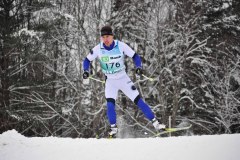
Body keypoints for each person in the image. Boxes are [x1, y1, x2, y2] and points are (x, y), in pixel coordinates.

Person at [82, 25, 165, 137]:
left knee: (138, 100)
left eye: (107, 36)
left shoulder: (120, 46)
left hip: (123, 78)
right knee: (110, 104)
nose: (105, 39)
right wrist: (86, 71)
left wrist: (138, 67)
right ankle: (113, 129)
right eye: (103, 37)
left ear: (112, 36)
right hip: (110, 81)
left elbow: (135, 56)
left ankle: (156, 124)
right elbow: (86, 60)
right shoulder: (98, 49)